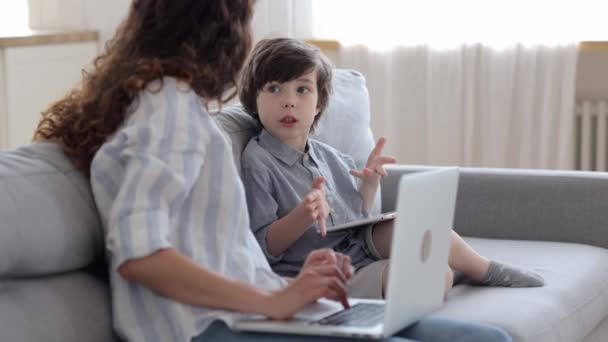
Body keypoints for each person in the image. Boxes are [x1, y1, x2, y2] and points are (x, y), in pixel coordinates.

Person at [34, 1, 513, 342]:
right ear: (221, 29)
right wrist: (272, 302)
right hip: (211, 326)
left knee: (484, 337)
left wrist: (296, 284)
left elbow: (218, 247)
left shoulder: (174, 110)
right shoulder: (167, 109)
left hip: (257, 310)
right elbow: (139, 256)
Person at [239, 38, 544, 300]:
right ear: (254, 99)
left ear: (319, 103)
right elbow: (265, 246)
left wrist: (369, 187)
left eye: (302, 90)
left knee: (417, 223)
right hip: (318, 269)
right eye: (275, 89)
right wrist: (302, 215)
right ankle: (460, 273)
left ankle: (483, 269)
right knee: (436, 278)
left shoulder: (331, 156)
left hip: (357, 247)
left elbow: (358, 217)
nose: (289, 102)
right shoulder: (258, 160)